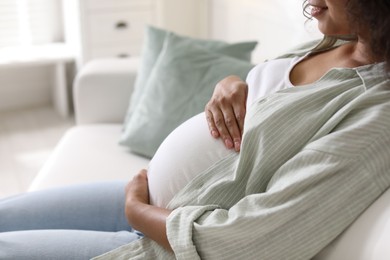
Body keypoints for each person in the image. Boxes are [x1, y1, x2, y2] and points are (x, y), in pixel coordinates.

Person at [1, 0, 390, 259]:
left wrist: (138, 214)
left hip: (162, 246)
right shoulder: (333, 42)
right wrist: (232, 82)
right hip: (151, 197)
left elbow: (253, 243)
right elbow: (273, 97)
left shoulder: (377, 115)